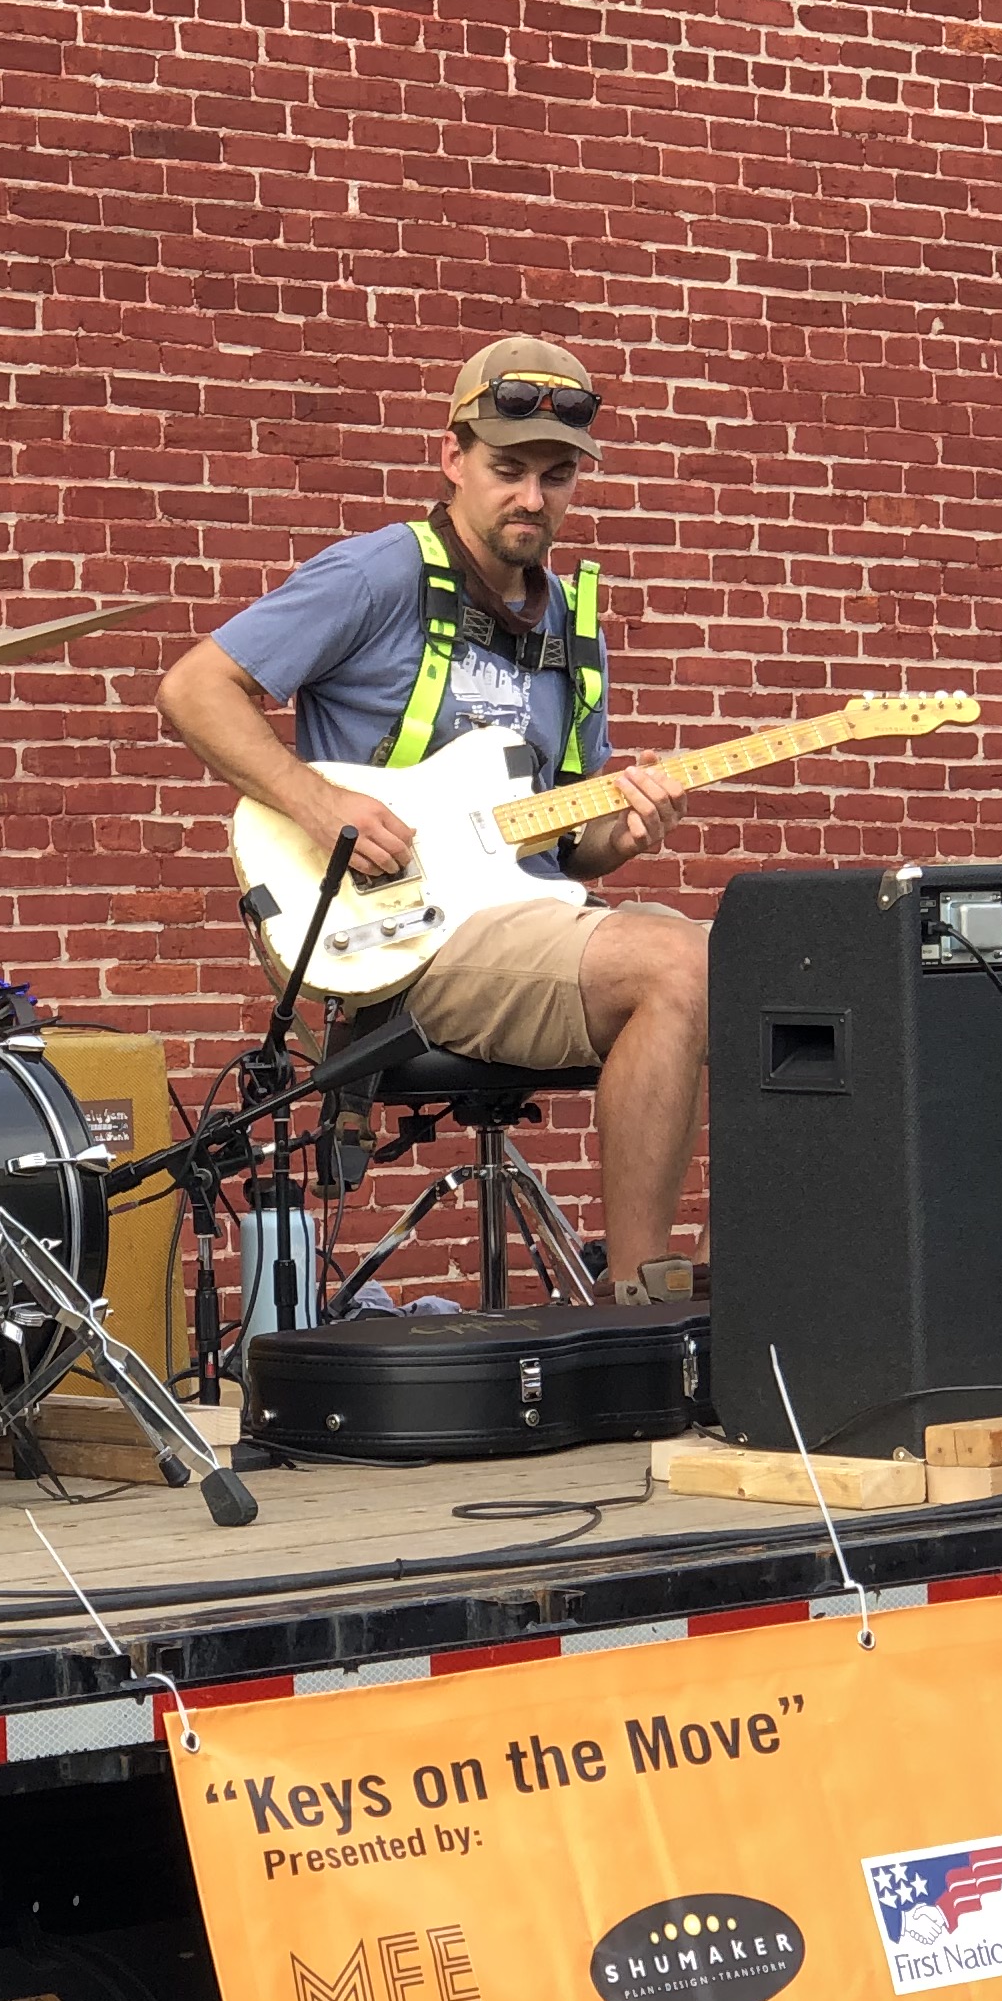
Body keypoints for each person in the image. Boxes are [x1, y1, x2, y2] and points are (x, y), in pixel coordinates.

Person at [157, 338, 709, 1294]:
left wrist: (619, 833)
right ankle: (639, 1305)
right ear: (453, 459)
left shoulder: (577, 628)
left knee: (738, 964)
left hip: (528, 918)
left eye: (557, 475)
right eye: (508, 470)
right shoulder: (380, 574)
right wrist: (320, 802)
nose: (532, 499)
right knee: (679, 963)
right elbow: (195, 689)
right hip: (401, 938)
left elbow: (566, 842)